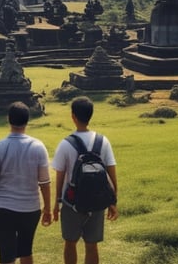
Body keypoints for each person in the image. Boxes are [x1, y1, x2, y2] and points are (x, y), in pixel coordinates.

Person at [0, 101, 52, 264]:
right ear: (28, 120)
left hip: (4, 208)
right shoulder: (38, 147)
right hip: (30, 208)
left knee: (7, 256)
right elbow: (45, 183)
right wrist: (47, 208)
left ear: (8, 119)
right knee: (26, 251)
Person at [51, 97, 118, 264]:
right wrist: (113, 201)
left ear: (73, 116)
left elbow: (60, 177)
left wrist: (57, 202)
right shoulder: (103, 142)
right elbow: (111, 173)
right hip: (97, 200)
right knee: (92, 245)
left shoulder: (65, 144)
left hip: (72, 201)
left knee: (70, 243)